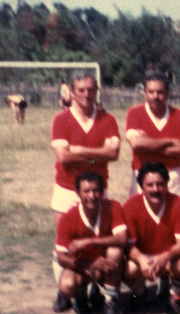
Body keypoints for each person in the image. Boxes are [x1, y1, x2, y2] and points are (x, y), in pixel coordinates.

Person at [52, 172, 127, 314]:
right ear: (78, 193)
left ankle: (111, 300)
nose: (92, 195)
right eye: (86, 191)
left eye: (96, 190)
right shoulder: (69, 217)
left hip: (103, 262)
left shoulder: (113, 206)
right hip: (82, 265)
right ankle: (80, 296)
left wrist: (88, 241)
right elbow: (61, 258)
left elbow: (122, 238)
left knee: (115, 250)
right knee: (67, 286)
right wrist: (91, 264)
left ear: (102, 191)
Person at [50, 70, 120, 231]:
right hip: (67, 188)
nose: (86, 94)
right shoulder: (61, 119)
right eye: (81, 90)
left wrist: (78, 150)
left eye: (91, 89)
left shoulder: (107, 119)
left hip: (97, 190)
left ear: (97, 91)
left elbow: (113, 154)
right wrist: (100, 154)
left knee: (99, 242)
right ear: (72, 93)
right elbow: (64, 157)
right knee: (65, 244)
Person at [123, 162, 180, 314]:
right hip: (144, 259)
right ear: (141, 186)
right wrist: (141, 259)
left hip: (168, 258)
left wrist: (164, 257)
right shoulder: (131, 206)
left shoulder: (178, 204)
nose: (155, 189)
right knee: (130, 269)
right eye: (150, 185)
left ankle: (176, 294)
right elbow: (129, 245)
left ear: (167, 185)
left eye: (160, 184)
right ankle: (139, 293)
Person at [125, 70, 180, 199]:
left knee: (175, 215)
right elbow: (136, 144)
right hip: (142, 174)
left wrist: (148, 146)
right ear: (144, 93)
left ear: (167, 93)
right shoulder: (135, 113)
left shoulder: (179, 115)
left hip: (172, 175)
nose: (155, 96)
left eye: (160, 92)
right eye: (151, 92)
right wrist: (171, 141)